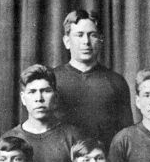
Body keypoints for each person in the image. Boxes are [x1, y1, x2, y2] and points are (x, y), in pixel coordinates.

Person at [0, 64, 83, 162]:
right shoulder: (9, 138)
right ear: (23, 98)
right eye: (32, 92)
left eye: (45, 91)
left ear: (55, 96)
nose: (39, 98)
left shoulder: (73, 137)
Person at [53, 10, 132, 148]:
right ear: (67, 41)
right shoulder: (51, 80)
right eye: (79, 35)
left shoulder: (116, 82)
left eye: (92, 35)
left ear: (101, 40)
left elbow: (126, 137)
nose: (86, 42)